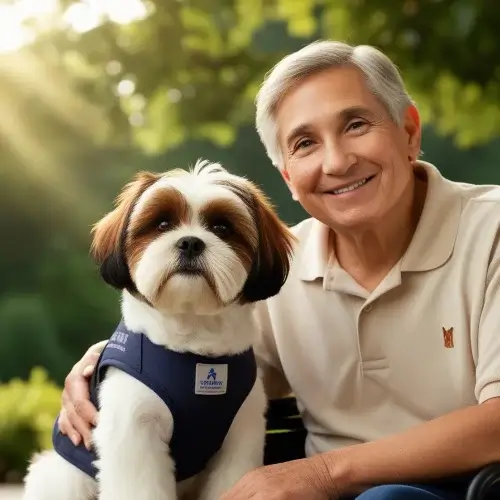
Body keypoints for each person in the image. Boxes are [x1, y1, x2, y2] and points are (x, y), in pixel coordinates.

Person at [58, 40, 500, 499]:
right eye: (305, 143)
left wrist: (323, 474)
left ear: (409, 132)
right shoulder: (279, 265)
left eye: (356, 125)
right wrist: (112, 364)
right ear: (288, 175)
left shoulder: (491, 231)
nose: (336, 161)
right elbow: (202, 356)